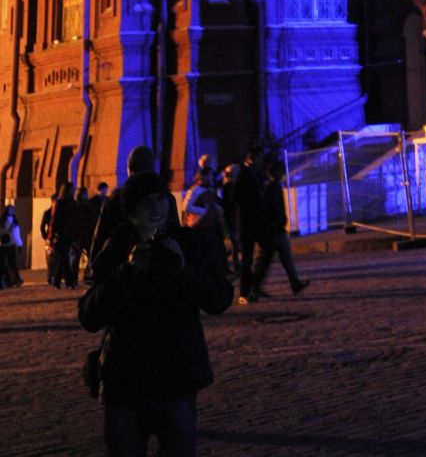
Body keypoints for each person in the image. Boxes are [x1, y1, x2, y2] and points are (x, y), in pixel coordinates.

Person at [78, 169, 233, 456]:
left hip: (176, 378)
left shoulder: (188, 244)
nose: (155, 209)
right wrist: (126, 271)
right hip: (125, 382)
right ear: (131, 213)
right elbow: (89, 315)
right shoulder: (115, 249)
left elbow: (219, 298)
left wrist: (183, 270)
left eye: (160, 201)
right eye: (145, 204)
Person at [88, 147, 178, 270]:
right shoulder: (165, 197)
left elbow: (98, 244)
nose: (154, 209)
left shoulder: (114, 201)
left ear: (129, 170)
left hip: (121, 271)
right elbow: (174, 230)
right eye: (145, 204)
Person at [248, 158, 310, 298]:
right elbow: (272, 209)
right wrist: (276, 223)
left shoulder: (271, 187)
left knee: (274, 259)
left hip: (275, 228)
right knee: (274, 259)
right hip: (275, 229)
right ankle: (257, 287)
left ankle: (293, 283)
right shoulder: (273, 188)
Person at [227, 150, 265, 305]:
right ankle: (244, 293)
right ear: (252, 159)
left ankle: (252, 288)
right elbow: (235, 199)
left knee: (262, 252)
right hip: (246, 224)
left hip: (253, 223)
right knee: (247, 259)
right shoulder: (244, 175)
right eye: (259, 158)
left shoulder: (254, 174)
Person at [0, 201, 23, 287]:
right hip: (11, 245)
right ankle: (16, 280)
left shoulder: (1, 221)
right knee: (12, 264)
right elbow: (16, 235)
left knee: (2, 264)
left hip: (2, 245)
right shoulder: (14, 222)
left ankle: (6, 280)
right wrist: (20, 245)